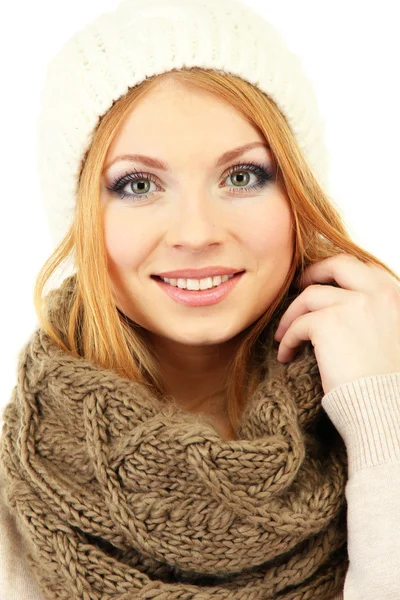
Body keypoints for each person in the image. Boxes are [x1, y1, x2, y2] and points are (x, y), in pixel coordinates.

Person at [1, 0, 399, 598]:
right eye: (138, 184)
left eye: (242, 177)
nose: (196, 231)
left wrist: (382, 415)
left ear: (296, 194)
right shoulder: (22, 485)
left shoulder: (388, 399)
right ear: (82, 218)